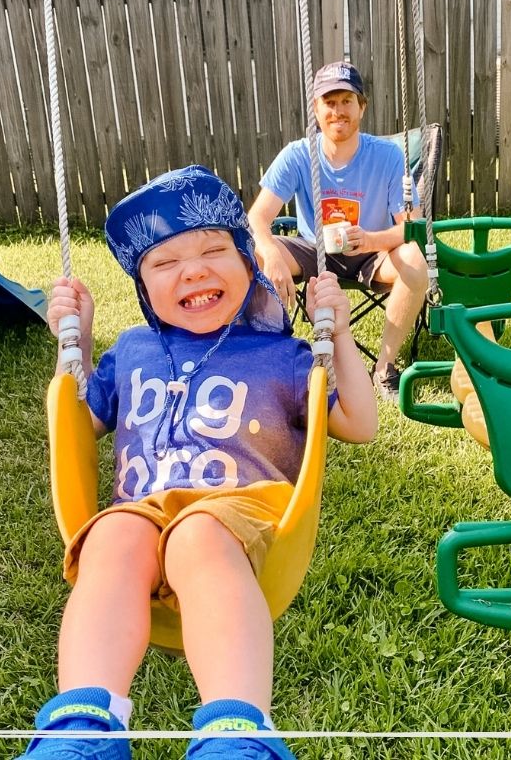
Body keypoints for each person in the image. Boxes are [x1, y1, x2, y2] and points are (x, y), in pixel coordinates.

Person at [20, 166, 376, 760]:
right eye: (164, 264)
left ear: (247, 265)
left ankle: (235, 733)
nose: (193, 270)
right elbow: (77, 428)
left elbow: (358, 425)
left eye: (215, 251)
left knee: (198, 537)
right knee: (110, 535)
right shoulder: (132, 348)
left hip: (240, 513)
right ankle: (82, 726)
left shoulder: (282, 355)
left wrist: (335, 335)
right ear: (143, 287)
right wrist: (75, 342)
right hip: (145, 514)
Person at [249, 60, 430, 400]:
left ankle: (384, 366)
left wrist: (370, 240)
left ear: (362, 107)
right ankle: (274, 360)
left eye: (346, 100)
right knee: (255, 253)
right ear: (316, 110)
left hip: (371, 254)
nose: (338, 111)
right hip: (313, 250)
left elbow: (412, 227)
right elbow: (257, 217)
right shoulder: (298, 155)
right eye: (329, 102)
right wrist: (272, 253)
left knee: (415, 261)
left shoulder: (388, 156)